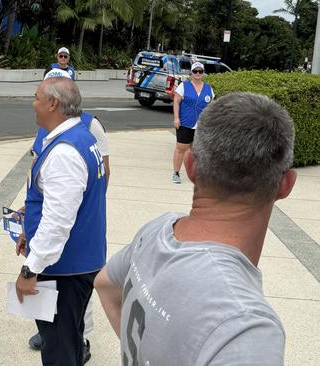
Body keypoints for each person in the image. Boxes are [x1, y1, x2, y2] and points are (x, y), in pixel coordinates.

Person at [95, 92, 297, 365]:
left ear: (190, 166)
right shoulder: (245, 329)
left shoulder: (156, 231)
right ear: (286, 185)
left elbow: (104, 284)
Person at [15, 77, 107, 366]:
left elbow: (58, 221)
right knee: (70, 341)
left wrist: (30, 269)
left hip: (64, 269)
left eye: (37, 97)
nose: (33, 103)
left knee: (59, 351)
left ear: (53, 103)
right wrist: (30, 230)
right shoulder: (82, 136)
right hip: (79, 262)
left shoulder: (65, 152)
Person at [171, 61, 214, 184]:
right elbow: (176, 102)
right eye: (195, 71)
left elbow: (211, 106)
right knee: (181, 148)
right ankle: (176, 173)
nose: (198, 73)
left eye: (200, 71)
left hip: (201, 124)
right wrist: (176, 118)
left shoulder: (208, 88)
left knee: (197, 151)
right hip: (185, 122)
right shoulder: (184, 86)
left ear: (203, 73)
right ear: (192, 72)